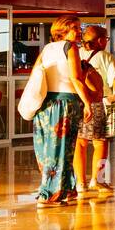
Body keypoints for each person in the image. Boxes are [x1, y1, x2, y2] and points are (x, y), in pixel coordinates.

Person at [30, 15, 90, 205]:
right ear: (62, 30)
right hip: (65, 103)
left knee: (48, 148)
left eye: (80, 27)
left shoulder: (47, 48)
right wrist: (87, 102)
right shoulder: (70, 47)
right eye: (75, 27)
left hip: (46, 104)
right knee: (63, 149)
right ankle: (50, 193)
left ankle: (65, 188)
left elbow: (36, 72)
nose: (79, 31)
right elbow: (76, 79)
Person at [75, 24, 115, 193]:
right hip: (97, 103)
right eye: (107, 39)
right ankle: (97, 180)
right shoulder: (105, 56)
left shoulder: (75, 54)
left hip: (77, 102)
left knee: (80, 144)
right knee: (100, 143)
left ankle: (80, 183)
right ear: (101, 40)